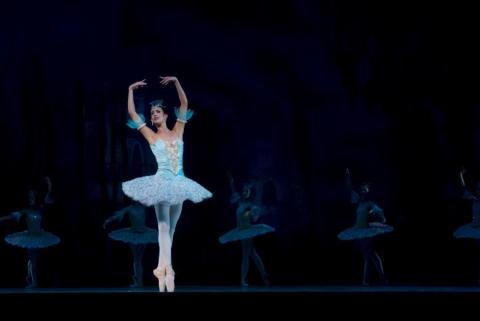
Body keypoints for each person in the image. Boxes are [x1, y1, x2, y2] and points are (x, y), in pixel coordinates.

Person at [122, 76, 212, 292]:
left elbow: (184, 104)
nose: (154, 115)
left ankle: (160, 268)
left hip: (180, 183)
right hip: (161, 183)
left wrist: (177, 82)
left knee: (171, 229)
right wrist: (130, 89)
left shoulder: (179, 130)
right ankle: (169, 270)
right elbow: (134, 114)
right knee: (163, 227)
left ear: (165, 115)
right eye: (152, 114)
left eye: (157, 112)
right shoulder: (152, 136)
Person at [0, 177, 60, 288]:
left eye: (32, 194)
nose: (31, 196)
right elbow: (13, 216)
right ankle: (33, 281)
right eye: (30, 195)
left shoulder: (40, 207)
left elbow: (49, 197)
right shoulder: (26, 209)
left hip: (39, 235)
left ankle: (31, 279)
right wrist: (2, 218)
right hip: (30, 237)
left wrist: (50, 184)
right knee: (32, 260)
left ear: (35, 195)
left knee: (33, 260)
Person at [337, 168, 392, 285]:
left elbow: (379, 211)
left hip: (366, 231)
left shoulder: (370, 204)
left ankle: (367, 280)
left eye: (365, 188)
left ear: (367, 191)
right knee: (372, 255)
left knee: (368, 255)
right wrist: (348, 176)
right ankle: (380, 278)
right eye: (362, 188)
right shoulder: (358, 201)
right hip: (358, 230)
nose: (363, 190)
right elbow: (349, 188)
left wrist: (382, 218)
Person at [219, 173, 273, 286]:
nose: (244, 193)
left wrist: (251, 212)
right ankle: (264, 275)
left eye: (246, 191)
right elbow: (234, 192)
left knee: (246, 255)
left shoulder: (250, 205)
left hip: (247, 232)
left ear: (249, 193)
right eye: (243, 191)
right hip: (241, 230)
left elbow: (253, 217)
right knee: (252, 254)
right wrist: (231, 182)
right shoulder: (240, 202)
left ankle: (243, 279)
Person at [103, 203, 157, 287]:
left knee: (138, 259)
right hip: (133, 235)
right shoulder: (129, 208)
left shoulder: (143, 206)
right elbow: (117, 215)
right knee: (137, 259)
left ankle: (139, 281)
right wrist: (108, 221)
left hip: (144, 234)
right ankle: (138, 281)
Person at [453, 168, 480, 284]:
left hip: (477, 228)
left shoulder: (476, 198)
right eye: (478, 188)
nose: (479, 190)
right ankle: (477, 277)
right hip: (475, 228)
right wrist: (461, 176)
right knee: (476, 253)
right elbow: (464, 187)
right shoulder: (474, 197)